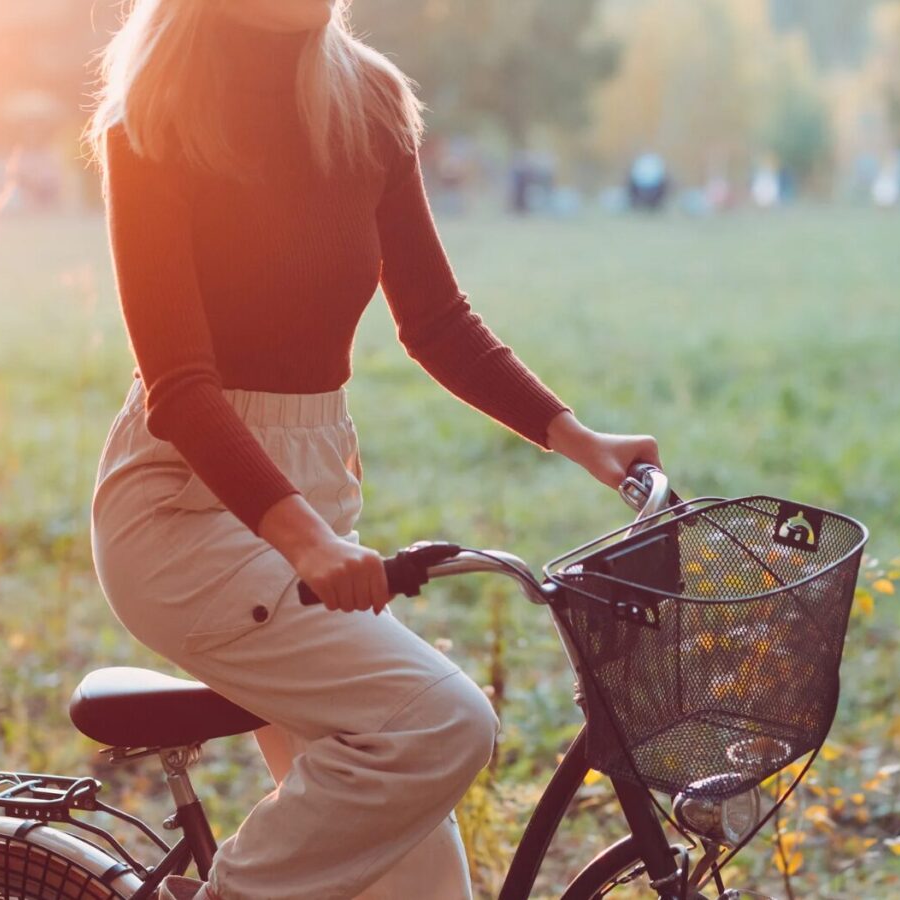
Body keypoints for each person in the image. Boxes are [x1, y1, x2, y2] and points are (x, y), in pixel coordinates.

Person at [83, 1, 661, 898]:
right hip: (184, 512)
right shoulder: (155, 120)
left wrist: (576, 438)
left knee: (417, 880)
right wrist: (303, 538)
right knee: (440, 723)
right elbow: (182, 390)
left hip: (314, 489)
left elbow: (436, 322)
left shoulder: (367, 103)